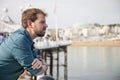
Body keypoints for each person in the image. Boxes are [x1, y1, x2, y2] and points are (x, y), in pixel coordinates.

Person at [0, 8, 48, 80]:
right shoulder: (20, 40)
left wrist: (39, 61)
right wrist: (44, 66)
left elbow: (36, 58)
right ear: (30, 23)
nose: (46, 25)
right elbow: (36, 71)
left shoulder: (26, 39)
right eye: (42, 22)